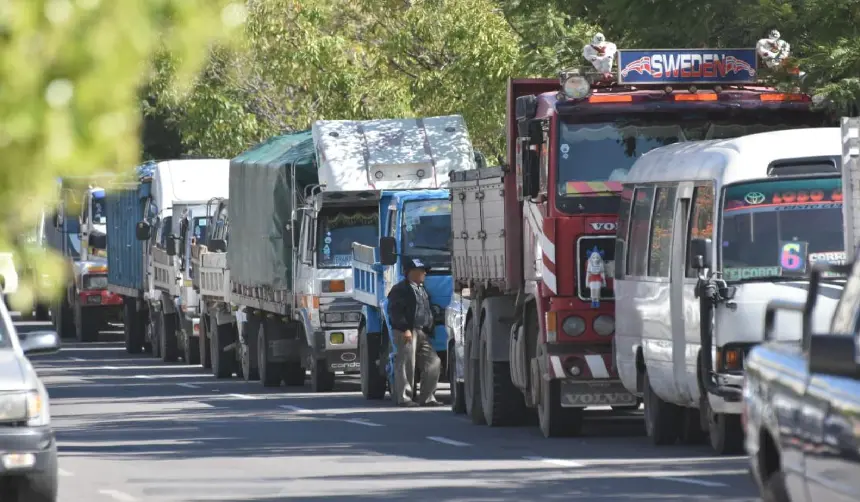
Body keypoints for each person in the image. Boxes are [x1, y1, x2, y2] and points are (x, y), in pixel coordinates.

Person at [387, 258, 442, 407]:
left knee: (434, 362)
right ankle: (405, 398)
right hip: (407, 331)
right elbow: (395, 311)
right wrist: (405, 329)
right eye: (420, 271)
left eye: (424, 271)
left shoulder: (422, 289)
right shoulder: (400, 289)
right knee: (406, 363)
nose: (424, 274)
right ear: (410, 272)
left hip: (422, 331)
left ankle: (427, 397)